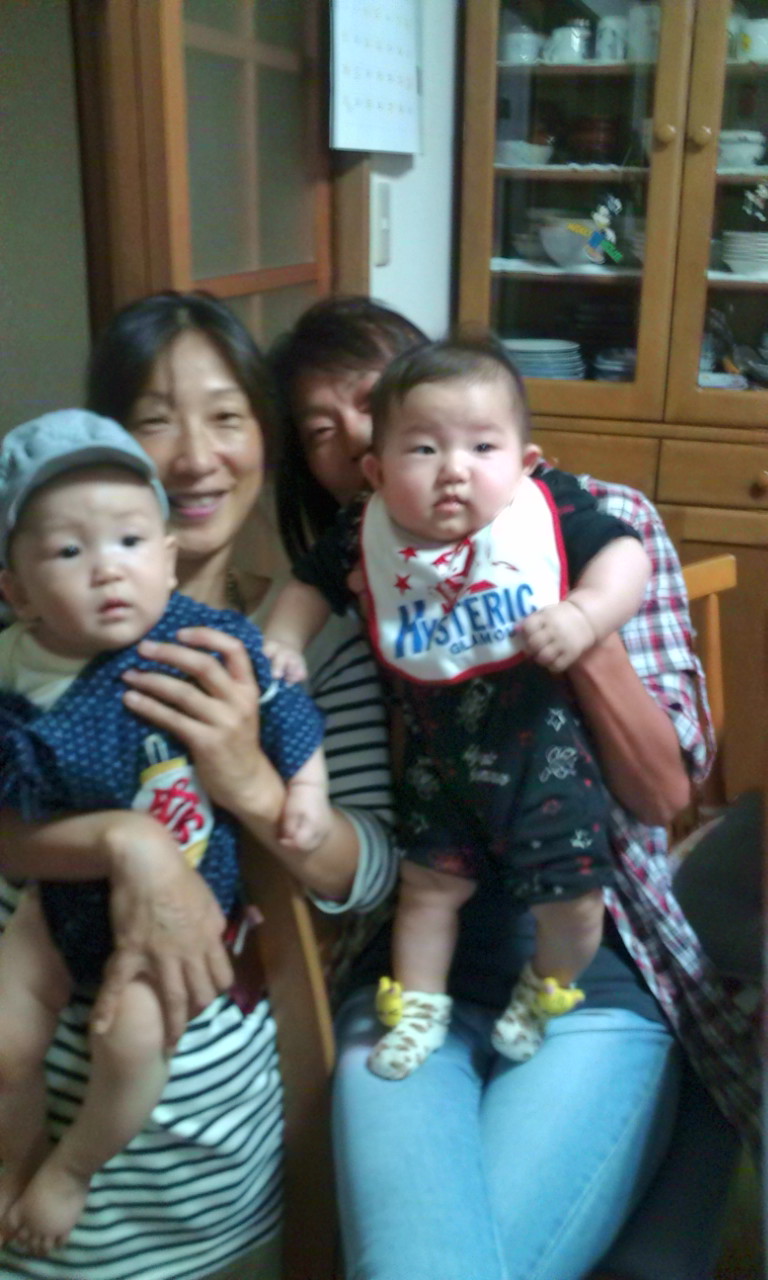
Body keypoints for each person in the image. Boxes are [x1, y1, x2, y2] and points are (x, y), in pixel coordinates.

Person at [270, 295, 760, 1280]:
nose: (357, 436)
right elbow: (352, 859)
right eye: (323, 432)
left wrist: (572, 619)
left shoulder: (583, 520)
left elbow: (664, 795)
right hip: (417, 961)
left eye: (370, 397)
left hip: (599, 956)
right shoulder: (363, 572)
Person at [0, 292, 399, 1280]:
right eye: (153, 419)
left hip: (205, 1160)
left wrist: (249, 780)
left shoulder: (312, 649)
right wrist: (128, 845)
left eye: (227, 417)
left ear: (266, 439)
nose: (193, 458)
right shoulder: (27, 633)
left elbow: (369, 872)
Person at [265, 335, 651, 1078]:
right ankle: (417, 1011)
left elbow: (625, 554)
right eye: (423, 449)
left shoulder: (546, 509)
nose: (454, 469)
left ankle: (545, 989)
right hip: (439, 765)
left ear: (526, 462)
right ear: (376, 472)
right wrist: (282, 641)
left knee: (574, 901)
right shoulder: (367, 531)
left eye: (482, 446)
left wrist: (585, 614)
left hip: (544, 756)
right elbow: (308, 584)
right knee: (427, 892)